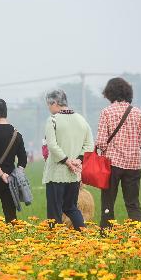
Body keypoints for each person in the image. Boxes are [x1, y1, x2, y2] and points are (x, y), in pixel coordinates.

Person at [95, 77, 141, 228]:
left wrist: (109, 149)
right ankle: (139, 235)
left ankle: (106, 233)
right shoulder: (138, 113)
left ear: (110, 93)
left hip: (112, 164)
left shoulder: (106, 112)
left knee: (108, 202)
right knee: (133, 203)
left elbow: (101, 142)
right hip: (134, 165)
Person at [42, 89, 93, 229]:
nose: (48, 107)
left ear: (54, 103)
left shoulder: (52, 120)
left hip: (56, 174)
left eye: (48, 104)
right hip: (74, 174)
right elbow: (89, 145)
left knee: (54, 211)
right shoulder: (81, 120)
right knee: (71, 207)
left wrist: (66, 160)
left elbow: (52, 145)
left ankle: (55, 242)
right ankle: (82, 235)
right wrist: (78, 160)